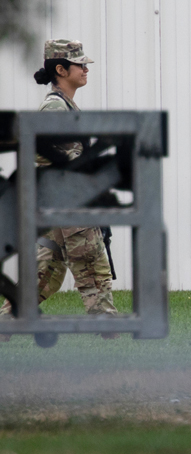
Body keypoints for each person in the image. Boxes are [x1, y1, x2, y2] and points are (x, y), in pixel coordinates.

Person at [0, 40, 118, 336]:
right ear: (61, 69)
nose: (85, 68)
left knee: (45, 276)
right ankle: (110, 336)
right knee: (93, 271)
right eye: (80, 64)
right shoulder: (55, 107)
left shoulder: (63, 104)